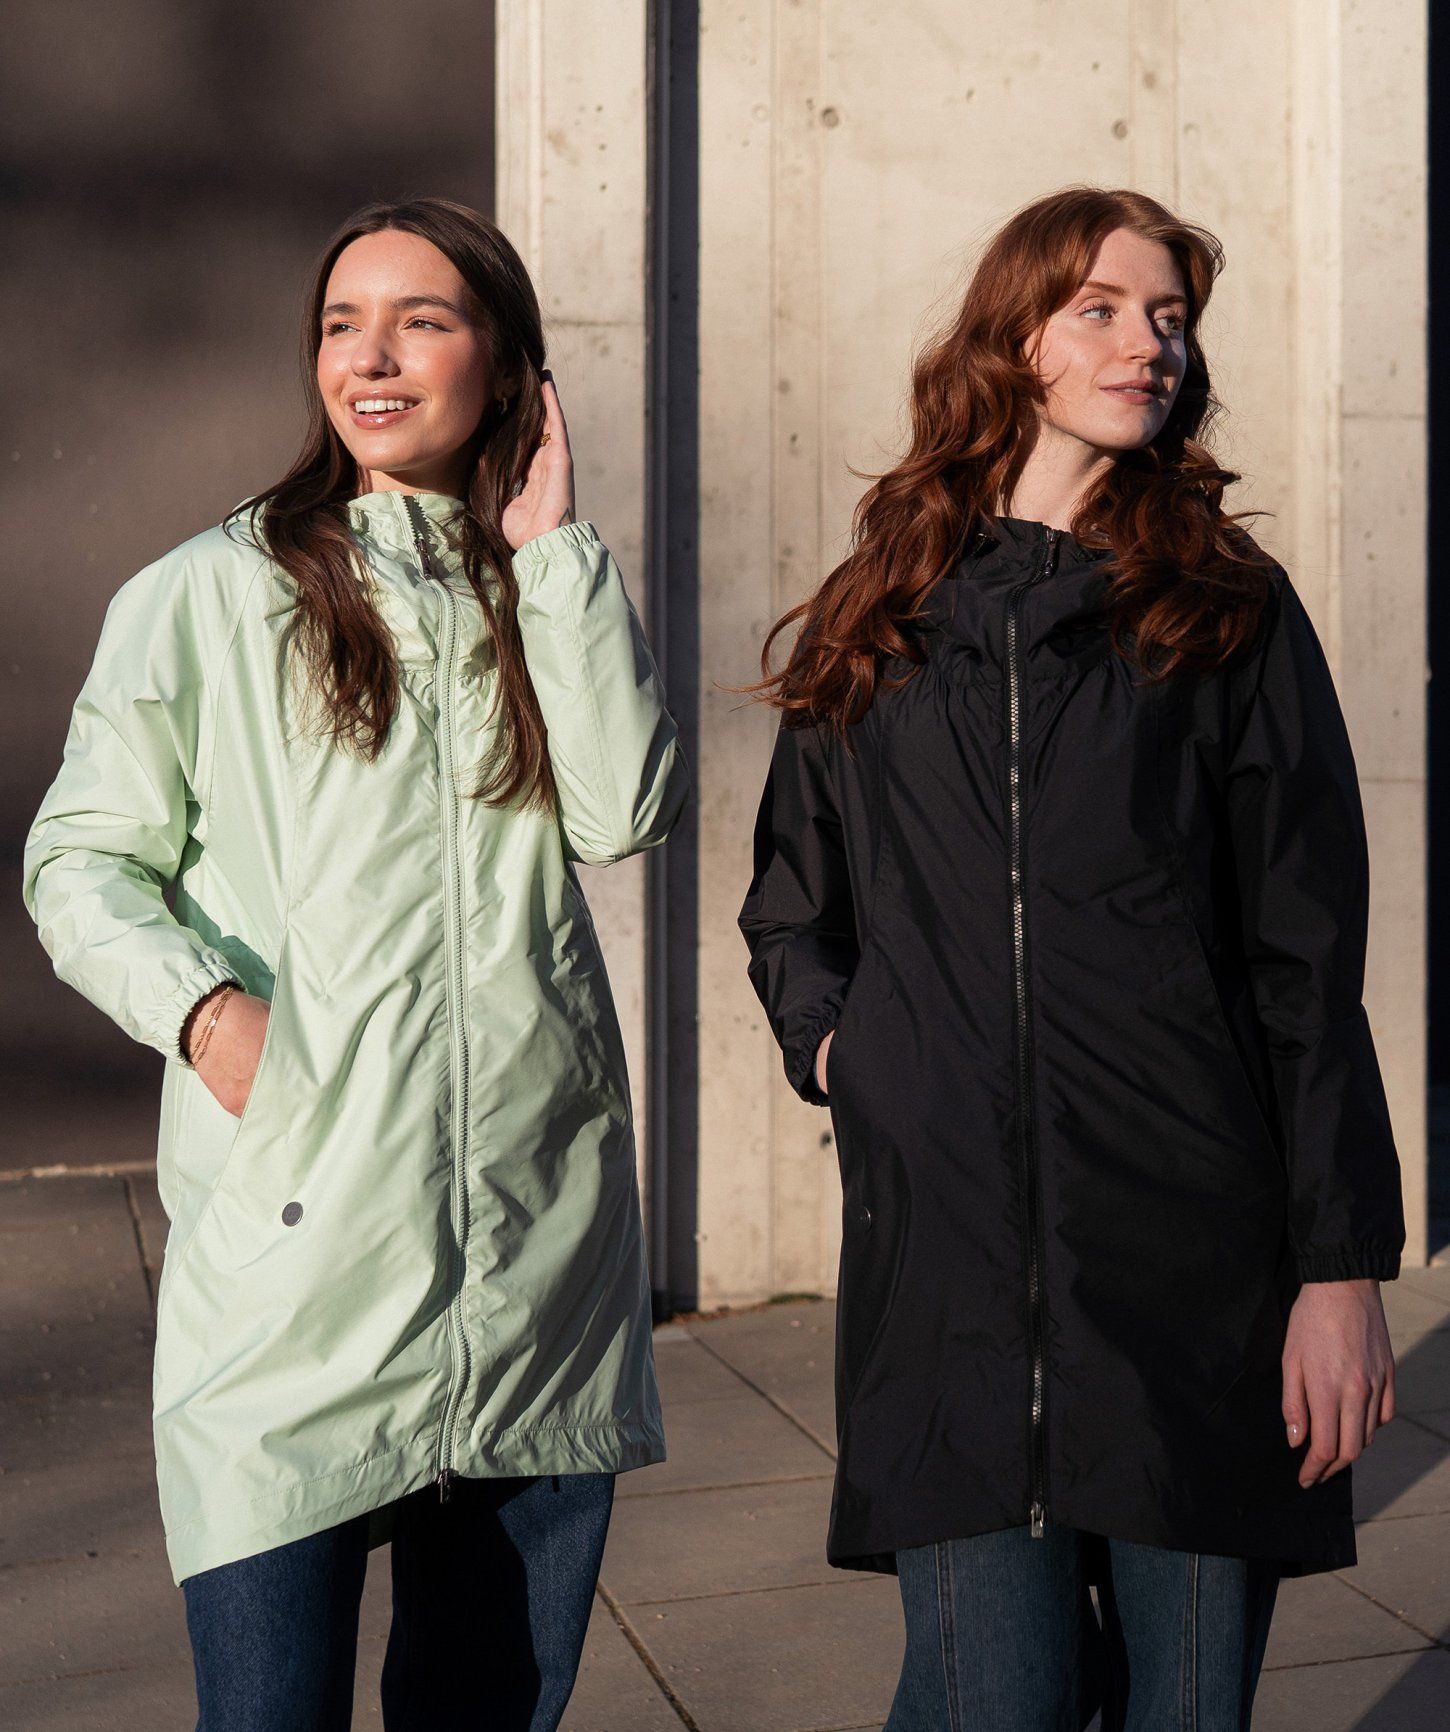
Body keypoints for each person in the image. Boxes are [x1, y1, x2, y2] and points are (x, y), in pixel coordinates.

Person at [737, 186, 1404, 1731]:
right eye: (1098, 308)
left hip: (1196, 1270)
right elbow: (793, 905)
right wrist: (845, 1049)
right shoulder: (878, 619)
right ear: (1012, 337)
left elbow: (1306, 961)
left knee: (1186, 1713)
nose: (1144, 343)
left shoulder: (1225, 615)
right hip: (946, 1283)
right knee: (994, 1702)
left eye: (1167, 317)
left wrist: (1338, 1269)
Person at [24, 196, 687, 1732]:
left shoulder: (539, 587)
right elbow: (79, 862)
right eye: (342, 324)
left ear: (507, 365)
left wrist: (555, 549)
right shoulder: (212, 589)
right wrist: (208, 1016)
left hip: (531, 1265)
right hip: (298, 1272)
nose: (369, 358)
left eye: (420, 321)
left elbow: (624, 811)